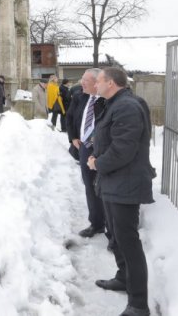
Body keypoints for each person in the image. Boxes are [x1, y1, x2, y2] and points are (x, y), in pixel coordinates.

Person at [88, 67, 154, 316]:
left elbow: (124, 149)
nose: (96, 85)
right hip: (114, 182)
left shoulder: (126, 106)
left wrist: (97, 163)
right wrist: (97, 153)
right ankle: (123, 278)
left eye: (100, 81)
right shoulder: (114, 104)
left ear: (112, 83)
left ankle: (138, 304)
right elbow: (109, 140)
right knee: (115, 236)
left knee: (128, 241)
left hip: (125, 184)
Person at [66, 68, 106, 238]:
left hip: (103, 150)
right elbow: (69, 118)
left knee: (105, 187)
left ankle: (111, 226)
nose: (81, 83)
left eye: (85, 80)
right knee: (90, 186)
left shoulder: (107, 100)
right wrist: (73, 137)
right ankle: (96, 224)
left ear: (97, 83)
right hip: (84, 148)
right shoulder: (79, 97)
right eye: (82, 79)